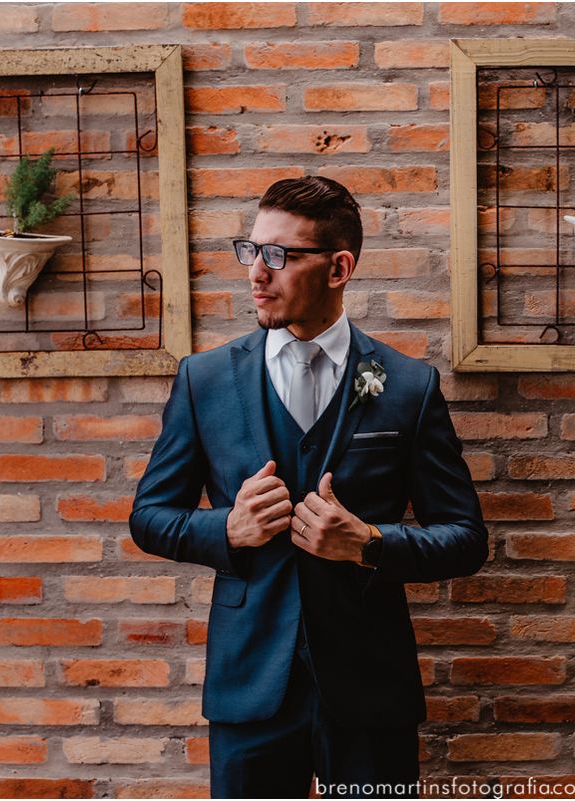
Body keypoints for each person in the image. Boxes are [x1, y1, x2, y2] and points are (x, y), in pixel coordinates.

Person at [129, 176, 488, 799]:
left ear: (338, 268)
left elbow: (466, 538)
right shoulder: (204, 380)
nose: (256, 273)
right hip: (250, 682)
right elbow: (149, 516)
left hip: (369, 685)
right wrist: (227, 529)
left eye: (279, 255)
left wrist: (370, 543)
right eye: (251, 250)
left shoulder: (406, 385)